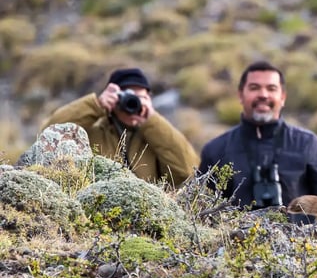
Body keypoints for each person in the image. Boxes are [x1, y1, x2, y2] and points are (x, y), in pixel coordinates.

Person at [197, 60, 317, 230]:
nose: (263, 95)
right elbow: (199, 211)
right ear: (241, 95)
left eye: (271, 88)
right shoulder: (216, 149)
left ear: (283, 97)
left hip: (300, 252)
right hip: (232, 252)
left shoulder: (307, 144)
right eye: (254, 88)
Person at [41, 67, 199, 188]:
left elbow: (186, 171)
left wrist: (152, 120)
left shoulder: (157, 136)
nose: (133, 103)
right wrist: (96, 105)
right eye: (127, 97)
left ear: (150, 100)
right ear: (112, 99)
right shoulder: (91, 131)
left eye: (141, 98)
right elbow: (50, 133)